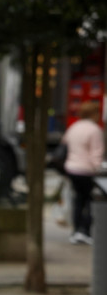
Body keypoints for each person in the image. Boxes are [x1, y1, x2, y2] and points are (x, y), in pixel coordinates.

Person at [62, 100, 104, 245]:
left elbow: (65, 143)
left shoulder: (74, 127)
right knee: (89, 201)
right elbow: (96, 154)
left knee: (78, 200)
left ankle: (76, 231)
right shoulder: (94, 130)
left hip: (71, 168)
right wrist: (98, 169)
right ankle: (85, 230)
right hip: (86, 170)